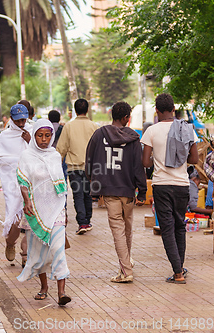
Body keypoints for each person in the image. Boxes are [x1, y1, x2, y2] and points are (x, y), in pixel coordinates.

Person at [85, 101, 147, 283]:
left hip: (110, 190)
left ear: (112, 115)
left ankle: (126, 271)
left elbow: (90, 162)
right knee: (126, 230)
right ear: (126, 118)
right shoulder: (134, 138)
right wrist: (142, 192)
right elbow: (138, 167)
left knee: (118, 231)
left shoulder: (99, 134)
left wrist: (94, 188)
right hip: (128, 191)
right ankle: (125, 266)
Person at [141, 93, 199, 284]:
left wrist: (159, 158)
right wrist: (178, 157)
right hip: (182, 185)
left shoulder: (151, 131)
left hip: (162, 185)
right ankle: (179, 269)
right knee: (180, 226)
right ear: (174, 109)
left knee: (167, 228)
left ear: (156, 111)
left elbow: (145, 162)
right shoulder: (188, 129)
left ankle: (178, 273)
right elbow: (194, 160)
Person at [16, 119, 71, 305]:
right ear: (34, 135)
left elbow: (61, 185)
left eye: (48, 136)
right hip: (35, 211)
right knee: (39, 252)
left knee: (58, 249)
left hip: (56, 210)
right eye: (40, 135)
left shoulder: (55, 155)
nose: (44, 139)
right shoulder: (26, 156)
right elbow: (23, 181)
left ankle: (61, 292)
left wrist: (65, 210)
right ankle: (44, 287)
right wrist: (27, 200)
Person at [0, 104, 32, 264]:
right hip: (14, 184)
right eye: (18, 121)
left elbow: (45, 150)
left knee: (31, 219)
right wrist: (16, 162)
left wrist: (31, 141)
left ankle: (26, 255)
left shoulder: (33, 131)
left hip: (32, 182)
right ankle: (10, 243)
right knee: (15, 219)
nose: (21, 124)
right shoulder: (5, 136)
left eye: (24, 120)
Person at [56, 99, 99, 235]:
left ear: (75, 110)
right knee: (88, 194)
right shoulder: (94, 126)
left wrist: (56, 165)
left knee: (78, 195)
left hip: (73, 168)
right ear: (87, 110)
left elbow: (61, 148)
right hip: (90, 168)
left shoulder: (69, 126)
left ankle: (82, 222)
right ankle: (87, 220)